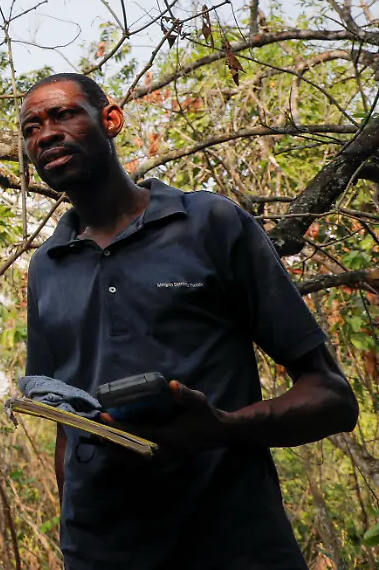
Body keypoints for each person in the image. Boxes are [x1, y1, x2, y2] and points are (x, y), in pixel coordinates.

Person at [19, 73, 358, 570]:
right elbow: (64, 425)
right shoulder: (48, 266)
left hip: (235, 542)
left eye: (64, 114)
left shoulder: (209, 223)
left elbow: (332, 397)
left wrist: (220, 427)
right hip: (102, 551)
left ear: (110, 119)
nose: (45, 133)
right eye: (31, 127)